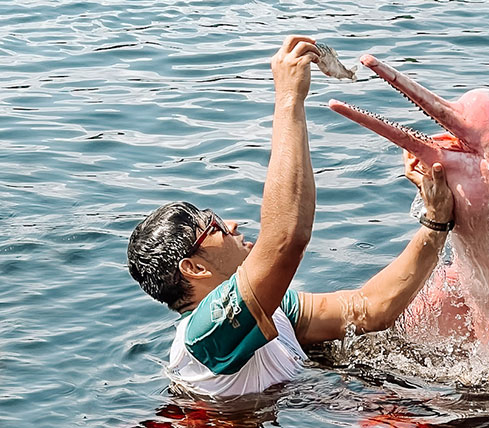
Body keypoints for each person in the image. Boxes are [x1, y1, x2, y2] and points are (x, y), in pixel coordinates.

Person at [127, 36, 455, 397]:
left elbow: (369, 310)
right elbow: (286, 239)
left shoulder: (272, 306)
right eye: (216, 227)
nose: (233, 224)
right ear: (194, 268)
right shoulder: (206, 334)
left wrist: (435, 221)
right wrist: (288, 98)